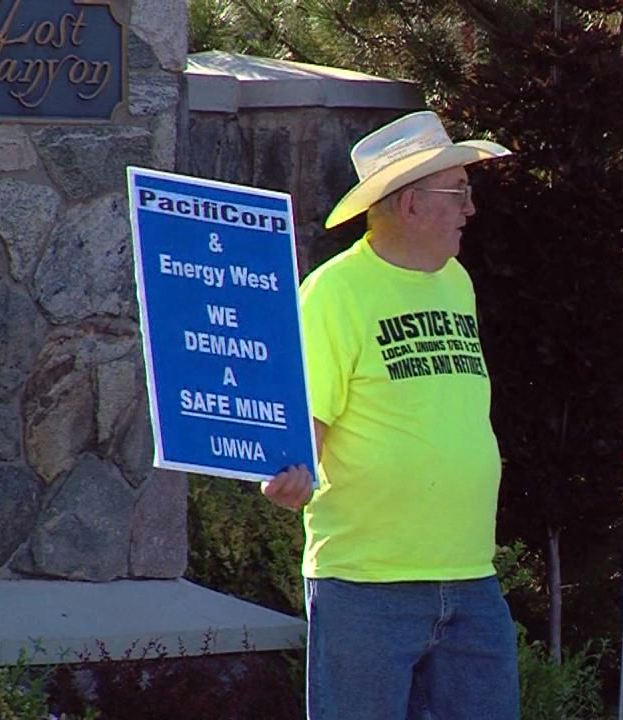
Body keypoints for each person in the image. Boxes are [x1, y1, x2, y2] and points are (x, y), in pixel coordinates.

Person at [261, 110, 520, 720]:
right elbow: (304, 421)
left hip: (469, 574)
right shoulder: (334, 292)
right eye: (458, 192)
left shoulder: (456, 281)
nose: (471, 209)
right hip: (365, 584)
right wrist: (291, 473)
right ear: (410, 204)